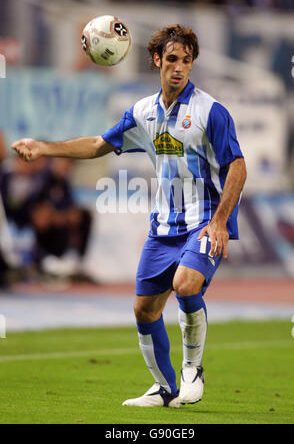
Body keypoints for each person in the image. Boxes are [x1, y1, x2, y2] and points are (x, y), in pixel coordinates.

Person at [11, 24, 247, 408]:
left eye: (187, 61)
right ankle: (164, 388)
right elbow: (98, 145)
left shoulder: (210, 112)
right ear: (157, 60)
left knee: (186, 284)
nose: (179, 68)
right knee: (144, 309)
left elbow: (237, 166)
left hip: (204, 221)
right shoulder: (143, 113)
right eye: (172, 59)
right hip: (163, 227)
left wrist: (220, 220)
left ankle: (193, 371)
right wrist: (43, 148)